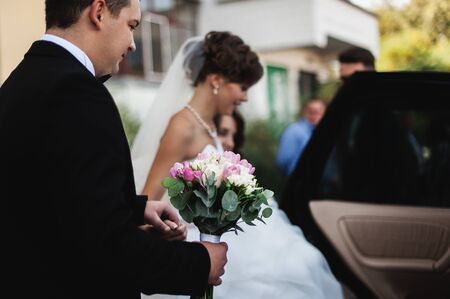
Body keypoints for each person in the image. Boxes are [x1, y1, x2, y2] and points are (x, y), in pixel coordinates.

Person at [0, 1, 227, 299]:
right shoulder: (78, 93)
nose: (133, 45)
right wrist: (199, 263)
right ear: (98, 12)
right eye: (131, 26)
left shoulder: (21, 81)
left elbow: (44, 193)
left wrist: (133, 208)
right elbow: (106, 246)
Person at [132, 32, 343, 299]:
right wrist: (169, 234)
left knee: (302, 265)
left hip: (230, 240)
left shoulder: (209, 125)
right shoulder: (181, 126)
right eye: (242, 87)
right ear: (217, 80)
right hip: (207, 244)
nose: (244, 98)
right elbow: (148, 199)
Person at [276, 99, 326, 176]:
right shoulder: (293, 131)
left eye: (319, 112)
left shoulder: (323, 131)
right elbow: (283, 161)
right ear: (305, 112)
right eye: (312, 111)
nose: (315, 115)